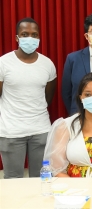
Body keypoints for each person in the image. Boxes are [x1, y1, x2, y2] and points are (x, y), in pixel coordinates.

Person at [0, 18, 57, 179]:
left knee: (42, 180)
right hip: (11, 132)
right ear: (17, 37)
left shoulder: (47, 64)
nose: (29, 38)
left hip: (41, 131)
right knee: (12, 181)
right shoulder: (3, 63)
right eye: (25, 34)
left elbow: (48, 98)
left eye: (34, 35)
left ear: (39, 38)